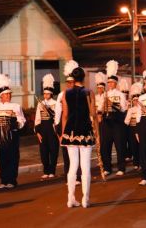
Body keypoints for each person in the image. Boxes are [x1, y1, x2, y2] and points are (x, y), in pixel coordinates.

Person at [61, 66, 99, 208]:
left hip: (70, 131)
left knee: (72, 166)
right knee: (85, 166)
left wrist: (63, 133)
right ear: (83, 78)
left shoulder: (66, 93)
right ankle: (85, 199)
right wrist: (97, 132)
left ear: (73, 78)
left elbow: (65, 114)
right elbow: (93, 114)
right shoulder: (89, 92)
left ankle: (71, 199)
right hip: (84, 130)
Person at [0, 74, 26, 189]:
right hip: (0, 136)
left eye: (10, 93)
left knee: (13, 158)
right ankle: (3, 181)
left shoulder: (16, 106)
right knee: (2, 158)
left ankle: (12, 181)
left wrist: (15, 125)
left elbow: (22, 120)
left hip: (12, 135)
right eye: (6, 94)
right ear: (1, 95)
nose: (9, 95)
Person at [55, 60, 81, 184]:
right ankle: (69, 177)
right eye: (68, 82)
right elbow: (58, 112)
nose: (70, 84)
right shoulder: (61, 95)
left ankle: (78, 177)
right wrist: (58, 130)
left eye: (72, 82)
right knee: (66, 154)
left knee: (78, 152)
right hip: (66, 126)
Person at [100, 60, 127, 176]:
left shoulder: (121, 95)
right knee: (105, 146)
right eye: (109, 82)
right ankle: (107, 168)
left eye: (112, 82)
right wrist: (101, 110)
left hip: (117, 122)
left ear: (115, 83)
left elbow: (123, 108)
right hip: (106, 122)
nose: (110, 84)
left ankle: (121, 168)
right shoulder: (104, 95)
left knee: (119, 145)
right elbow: (100, 108)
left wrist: (112, 105)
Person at [35, 74, 59, 179]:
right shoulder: (40, 104)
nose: (45, 96)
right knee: (43, 151)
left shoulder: (55, 103)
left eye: (48, 94)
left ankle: (52, 171)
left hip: (52, 129)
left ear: (51, 94)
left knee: (53, 151)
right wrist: (37, 132)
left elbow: (57, 117)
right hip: (43, 129)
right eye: (44, 94)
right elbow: (37, 119)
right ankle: (46, 170)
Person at [124, 82, 143, 170]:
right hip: (132, 128)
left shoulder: (142, 109)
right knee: (133, 145)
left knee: (141, 146)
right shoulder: (131, 109)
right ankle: (136, 162)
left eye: (137, 100)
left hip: (140, 128)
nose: (136, 102)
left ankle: (142, 162)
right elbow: (126, 121)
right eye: (134, 100)